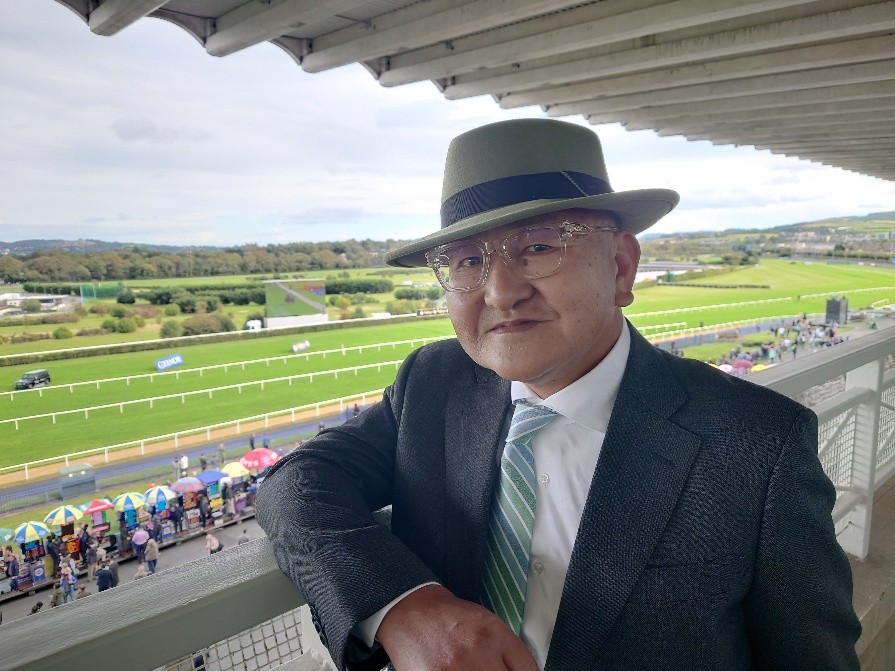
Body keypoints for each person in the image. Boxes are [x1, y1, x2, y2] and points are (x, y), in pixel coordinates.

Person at [256, 119, 861, 671]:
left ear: (620, 267)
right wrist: (404, 605)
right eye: (467, 260)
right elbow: (294, 485)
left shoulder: (760, 445)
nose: (500, 292)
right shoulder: (434, 382)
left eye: (539, 246)